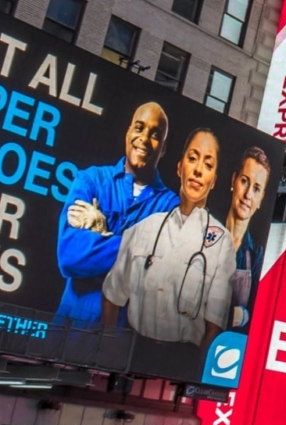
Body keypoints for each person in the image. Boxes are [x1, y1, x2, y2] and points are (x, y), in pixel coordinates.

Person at [100, 129, 236, 346]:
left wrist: (196, 374)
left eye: (208, 165)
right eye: (192, 159)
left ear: (214, 181)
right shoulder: (144, 229)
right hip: (133, 351)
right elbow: (112, 293)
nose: (199, 170)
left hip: (180, 362)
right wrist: (108, 350)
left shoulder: (221, 242)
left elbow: (215, 325)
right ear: (180, 168)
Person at [56, 102, 179, 327]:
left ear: (163, 148)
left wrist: (104, 232)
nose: (143, 138)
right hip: (68, 333)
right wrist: (140, 251)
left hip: (121, 342)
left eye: (155, 134)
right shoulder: (91, 180)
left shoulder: (171, 206)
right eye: (139, 128)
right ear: (128, 132)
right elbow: (70, 256)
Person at [223, 146, 270, 329]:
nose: (248, 195)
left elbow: (257, 314)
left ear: (261, 199)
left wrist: (242, 316)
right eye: (244, 181)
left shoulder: (257, 256)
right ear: (233, 180)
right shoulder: (205, 231)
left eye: (256, 189)